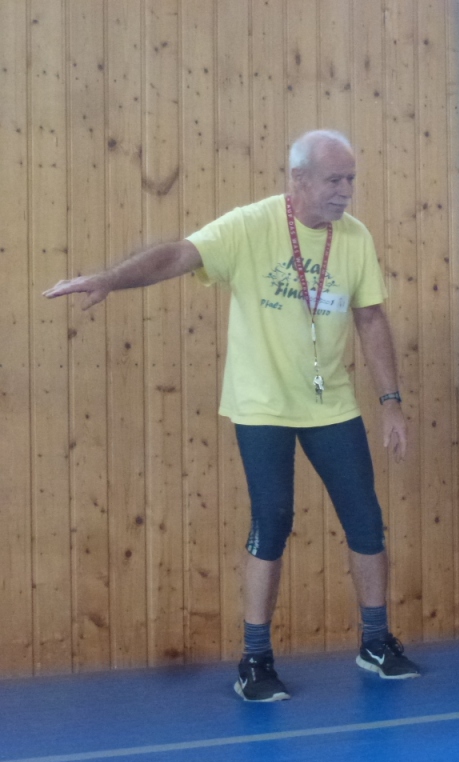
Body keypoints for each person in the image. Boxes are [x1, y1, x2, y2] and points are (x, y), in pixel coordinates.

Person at [44, 129, 420, 702]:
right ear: (298, 180)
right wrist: (111, 280)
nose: (345, 191)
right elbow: (179, 255)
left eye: (351, 180)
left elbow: (370, 319)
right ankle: (255, 659)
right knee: (272, 520)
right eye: (334, 180)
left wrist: (391, 403)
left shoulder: (355, 238)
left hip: (331, 404)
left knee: (366, 520)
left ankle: (375, 642)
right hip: (261, 404)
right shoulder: (251, 225)